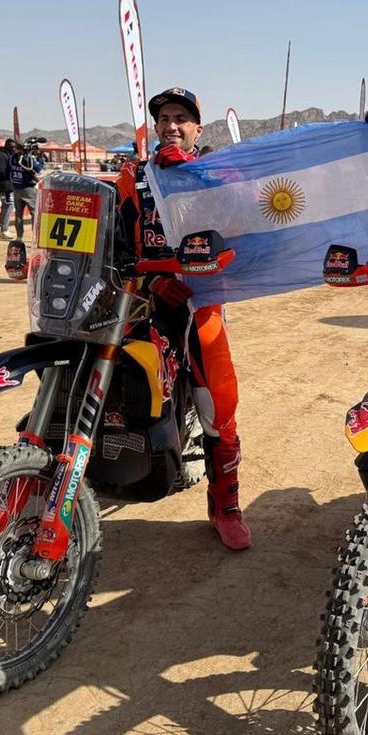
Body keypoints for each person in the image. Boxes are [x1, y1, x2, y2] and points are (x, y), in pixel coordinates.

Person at [115, 87, 252, 550]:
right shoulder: (132, 176)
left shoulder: (216, 172)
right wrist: (148, 283)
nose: (172, 124)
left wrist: (194, 176)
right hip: (139, 300)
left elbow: (245, 217)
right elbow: (115, 244)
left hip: (200, 303)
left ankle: (225, 505)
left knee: (218, 403)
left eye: (182, 118)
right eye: (164, 117)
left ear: (198, 128)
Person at [11, 142, 43, 241]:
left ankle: (19, 237)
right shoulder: (28, 159)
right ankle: (35, 237)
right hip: (28, 189)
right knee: (34, 213)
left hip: (16, 189)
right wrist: (40, 159)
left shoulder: (13, 158)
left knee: (19, 214)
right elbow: (38, 169)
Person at [0, 139, 15, 239]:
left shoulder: (8, 155)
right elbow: (2, 171)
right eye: (12, 146)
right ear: (7, 146)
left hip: (8, 185)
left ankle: (4, 229)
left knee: (6, 206)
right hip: (4, 185)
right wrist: (13, 174)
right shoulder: (1, 155)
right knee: (9, 205)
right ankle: (4, 230)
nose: (13, 149)